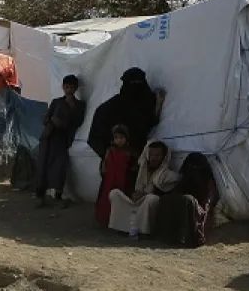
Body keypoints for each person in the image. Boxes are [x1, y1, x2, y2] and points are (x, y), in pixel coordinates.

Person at [107, 140, 180, 238]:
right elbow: (128, 186)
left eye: (157, 155)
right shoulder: (139, 170)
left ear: (164, 157)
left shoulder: (168, 176)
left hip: (147, 203)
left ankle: (144, 231)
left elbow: (166, 194)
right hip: (135, 201)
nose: (154, 158)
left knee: (152, 199)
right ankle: (122, 227)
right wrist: (133, 194)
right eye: (152, 155)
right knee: (114, 193)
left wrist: (146, 194)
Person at [88, 67, 165, 157]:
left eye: (138, 84)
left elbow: (149, 122)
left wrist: (158, 104)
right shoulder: (110, 107)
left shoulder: (144, 102)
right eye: (133, 84)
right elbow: (95, 138)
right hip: (117, 162)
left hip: (136, 158)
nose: (136, 88)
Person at [34, 74, 86, 207]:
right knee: (43, 165)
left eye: (71, 87)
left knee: (59, 166)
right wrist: (52, 120)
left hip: (63, 139)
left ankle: (58, 194)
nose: (68, 90)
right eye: (66, 87)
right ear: (63, 87)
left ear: (76, 89)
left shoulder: (80, 105)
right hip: (49, 136)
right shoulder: (56, 102)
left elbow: (77, 122)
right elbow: (45, 119)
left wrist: (62, 123)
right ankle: (40, 195)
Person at [152, 152, 220, 247]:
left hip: (198, 205)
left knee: (188, 200)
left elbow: (210, 198)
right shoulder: (185, 177)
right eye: (191, 166)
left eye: (196, 167)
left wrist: (203, 206)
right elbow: (178, 189)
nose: (194, 170)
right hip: (187, 202)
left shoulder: (208, 181)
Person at [94, 125, 137, 228]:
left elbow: (133, 169)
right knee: (107, 201)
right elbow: (104, 167)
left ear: (126, 138)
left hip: (124, 182)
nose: (119, 140)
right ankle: (105, 220)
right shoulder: (110, 151)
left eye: (121, 137)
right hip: (109, 182)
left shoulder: (131, 153)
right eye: (116, 138)